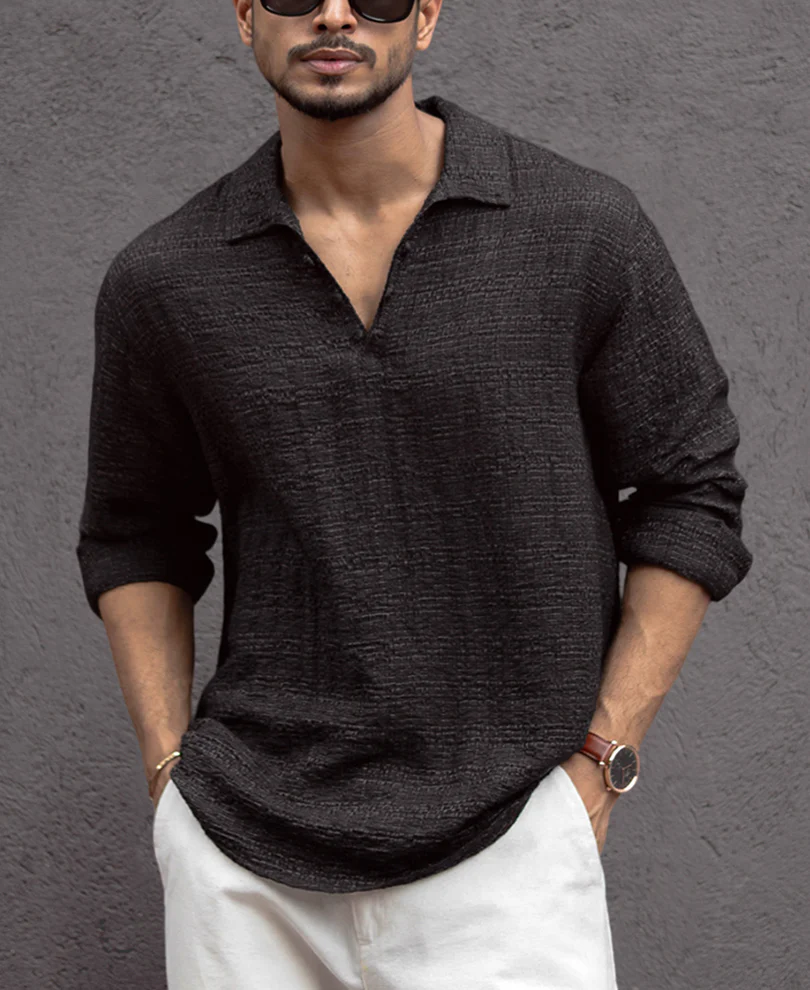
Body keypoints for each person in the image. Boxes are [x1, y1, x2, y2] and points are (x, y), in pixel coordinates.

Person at [75, 1, 754, 987]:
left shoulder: (578, 228)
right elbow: (134, 535)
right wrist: (169, 779)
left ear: (426, 15)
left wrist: (603, 759)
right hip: (244, 865)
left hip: (514, 849)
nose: (336, 13)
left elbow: (693, 488)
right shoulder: (165, 279)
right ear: (246, 16)